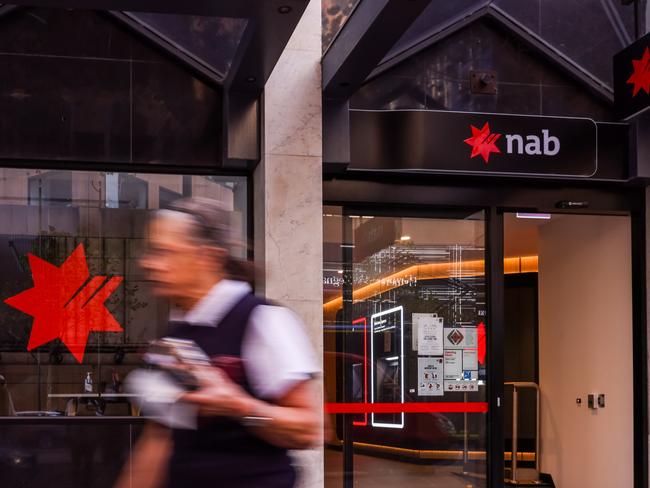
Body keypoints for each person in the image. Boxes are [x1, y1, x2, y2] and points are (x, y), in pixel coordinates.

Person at [116, 197, 320, 488]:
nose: (148, 263)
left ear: (207, 256)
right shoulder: (175, 334)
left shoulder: (262, 320)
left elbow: (308, 429)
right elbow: (160, 437)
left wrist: (238, 406)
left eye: (163, 252)